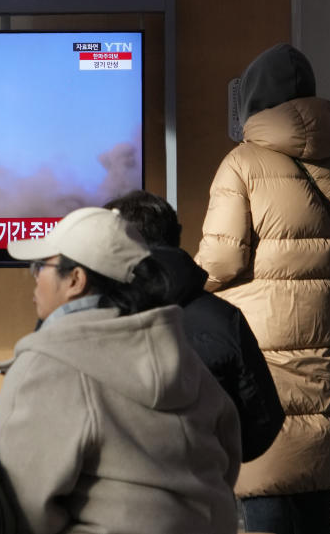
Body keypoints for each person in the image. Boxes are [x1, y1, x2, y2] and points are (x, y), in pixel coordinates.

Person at [196, 43, 330, 533]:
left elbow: (222, 258)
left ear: (253, 101)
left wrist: (189, 285)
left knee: (266, 509)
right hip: (322, 375)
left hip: (263, 375)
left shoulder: (242, 164)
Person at [0, 206, 241, 534]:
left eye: (42, 266)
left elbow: (21, 512)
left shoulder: (46, 364)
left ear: (76, 280)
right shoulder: (178, 352)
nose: (35, 276)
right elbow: (228, 457)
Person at [105, 189, 285, 462]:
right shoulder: (223, 317)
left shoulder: (94, 311)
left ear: (117, 243)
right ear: (175, 235)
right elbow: (261, 424)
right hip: (204, 491)